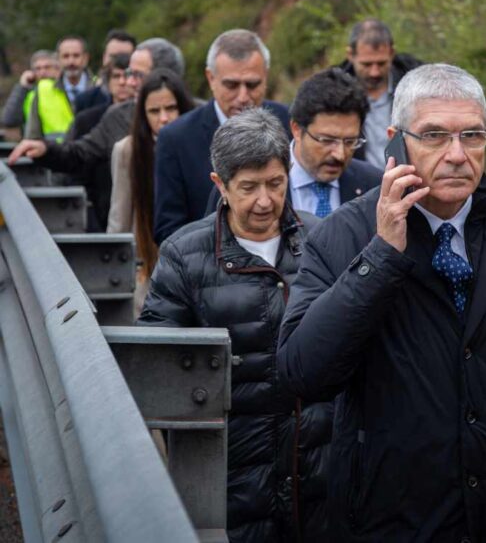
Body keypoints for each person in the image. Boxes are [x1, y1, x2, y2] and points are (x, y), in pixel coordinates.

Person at [278, 63, 486, 542]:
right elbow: (303, 370)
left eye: (472, 135)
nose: (457, 155)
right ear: (396, 140)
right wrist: (381, 257)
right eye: (434, 135)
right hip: (389, 517)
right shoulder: (342, 235)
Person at [139, 108, 331, 543]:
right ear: (220, 185)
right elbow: (157, 367)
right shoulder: (183, 255)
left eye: (276, 184)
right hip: (231, 478)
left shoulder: (323, 239)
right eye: (248, 188)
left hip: (320, 471)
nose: (265, 201)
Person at [153, 28, 290, 244]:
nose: (243, 96)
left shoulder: (288, 122)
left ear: (266, 76)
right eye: (232, 85)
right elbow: (168, 228)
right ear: (211, 78)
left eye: (252, 85)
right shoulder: (176, 138)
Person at [205, 67, 382, 217]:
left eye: (350, 141)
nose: (340, 154)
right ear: (296, 129)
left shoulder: (373, 185)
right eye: (327, 140)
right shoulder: (241, 183)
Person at [8, 38, 185, 175]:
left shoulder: (199, 118)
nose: (129, 82)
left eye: (137, 75)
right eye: (129, 74)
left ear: (165, 75)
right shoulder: (117, 116)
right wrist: (46, 150)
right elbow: (80, 153)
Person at [108, 69, 195, 314]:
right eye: (154, 111)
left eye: (171, 108)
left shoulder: (199, 143)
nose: (164, 118)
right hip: (147, 266)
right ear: (143, 115)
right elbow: (119, 217)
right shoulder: (128, 150)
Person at [338, 18, 423, 169]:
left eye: (381, 63)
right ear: (350, 55)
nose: (375, 72)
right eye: (366, 64)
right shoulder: (335, 90)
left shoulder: (418, 83)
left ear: (392, 53)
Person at [70, 52, 133, 232]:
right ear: (107, 81)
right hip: (99, 211)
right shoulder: (88, 120)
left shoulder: (150, 118)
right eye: (116, 76)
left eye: (127, 75)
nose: (122, 82)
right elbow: (77, 168)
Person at [24, 36, 93, 140]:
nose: (71, 62)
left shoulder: (100, 87)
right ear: (58, 60)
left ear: (85, 58)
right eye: (65, 56)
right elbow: (33, 135)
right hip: (55, 154)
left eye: (76, 56)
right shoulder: (43, 90)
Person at [74, 29, 136, 113]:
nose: (118, 61)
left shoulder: (146, 101)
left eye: (124, 56)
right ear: (104, 57)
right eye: (113, 56)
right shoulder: (85, 101)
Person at [1, 50, 60, 132]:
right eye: (38, 69)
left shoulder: (66, 90)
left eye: (47, 67)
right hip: (34, 143)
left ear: (57, 69)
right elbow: (9, 120)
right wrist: (21, 87)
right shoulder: (28, 94)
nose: (42, 72)